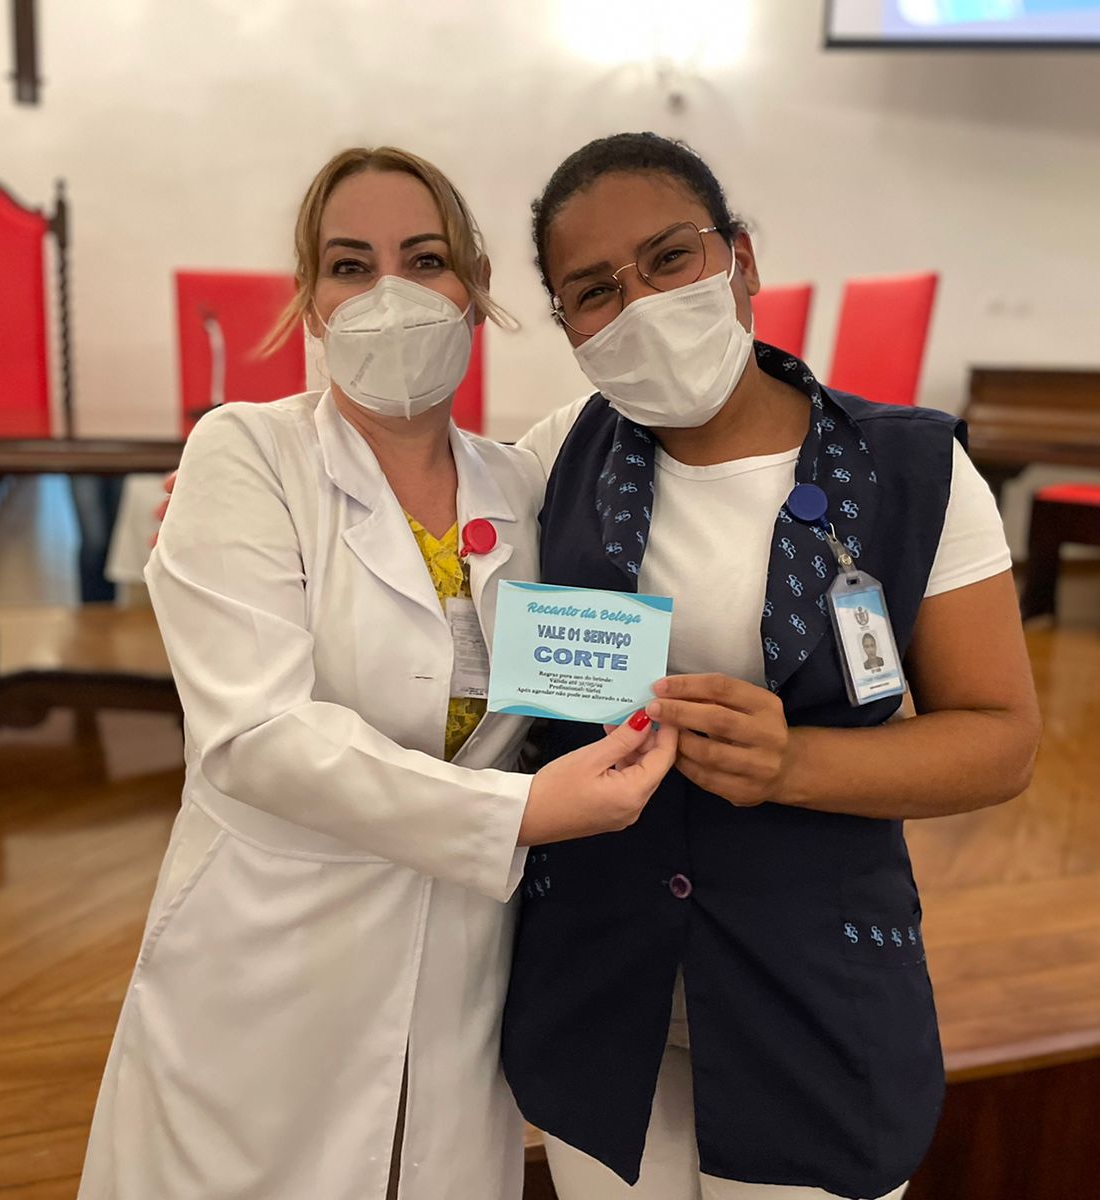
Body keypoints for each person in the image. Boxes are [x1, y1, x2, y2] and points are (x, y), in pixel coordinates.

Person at [77, 147, 677, 1200]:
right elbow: (257, 738)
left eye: (425, 259)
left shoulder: (521, 483)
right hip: (271, 948)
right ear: (311, 301)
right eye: (351, 265)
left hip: (462, 960)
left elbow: (574, 659)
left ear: (475, 286)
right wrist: (522, 813)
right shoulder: (247, 454)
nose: (390, 294)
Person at [503, 133, 1041, 1200]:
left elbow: (999, 741)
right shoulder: (554, 459)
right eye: (594, 290)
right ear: (567, 327)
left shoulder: (911, 471)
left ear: (740, 260)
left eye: (670, 258)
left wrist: (793, 763)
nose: (642, 303)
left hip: (812, 991)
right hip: (598, 986)